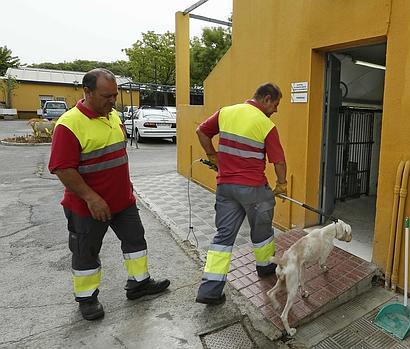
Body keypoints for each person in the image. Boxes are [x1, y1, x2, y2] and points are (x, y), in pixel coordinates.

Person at [48, 68, 170, 320]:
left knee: (136, 241)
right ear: (87, 92)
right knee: (86, 251)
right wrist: (91, 197)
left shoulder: (112, 116)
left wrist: (126, 184)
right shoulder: (70, 124)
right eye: (106, 96)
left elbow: (115, 156)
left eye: (114, 95)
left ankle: (139, 284)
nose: (113, 101)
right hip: (87, 206)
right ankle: (87, 299)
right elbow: (62, 168)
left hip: (122, 200)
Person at [195, 82, 287, 305]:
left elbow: (201, 131)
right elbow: (279, 161)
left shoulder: (226, 112)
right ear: (266, 99)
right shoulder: (265, 125)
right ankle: (265, 268)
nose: (276, 110)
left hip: (225, 187)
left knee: (223, 236)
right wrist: (282, 184)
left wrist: (212, 155)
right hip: (254, 188)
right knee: (262, 230)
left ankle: (210, 290)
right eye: (275, 104)